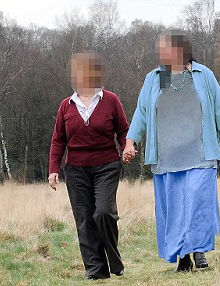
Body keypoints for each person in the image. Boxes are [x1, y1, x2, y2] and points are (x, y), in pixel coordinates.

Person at [122, 30, 220, 272]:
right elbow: (143, 112)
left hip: (200, 152)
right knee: (174, 208)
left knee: (197, 201)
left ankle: (199, 250)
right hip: (168, 155)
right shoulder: (158, 77)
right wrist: (130, 141)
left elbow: (218, 107)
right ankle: (183, 256)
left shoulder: (201, 74)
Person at [48, 51, 129, 280]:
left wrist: (127, 149)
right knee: (84, 219)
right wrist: (54, 169)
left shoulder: (110, 100)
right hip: (75, 169)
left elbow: (123, 130)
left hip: (107, 165)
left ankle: (113, 259)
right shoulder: (66, 105)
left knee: (103, 213)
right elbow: (58, 139)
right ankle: (96, 269)